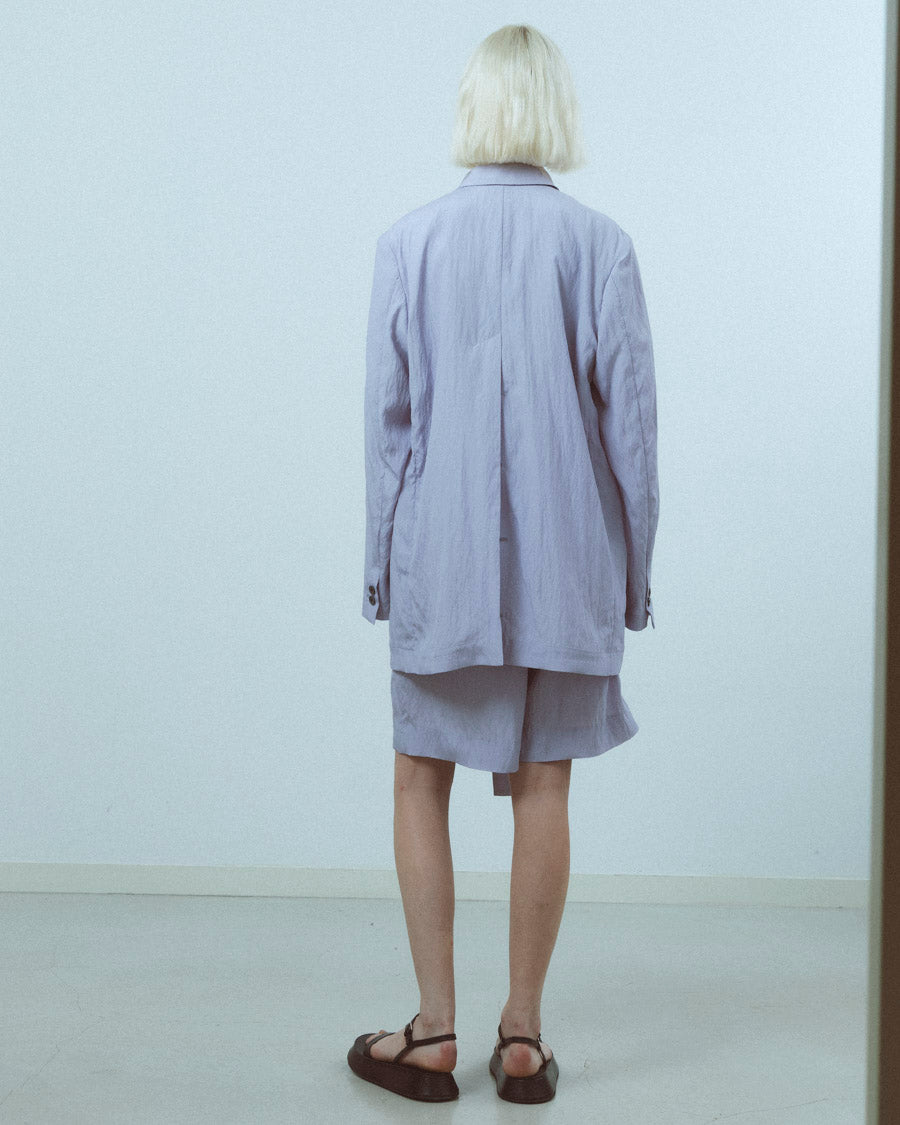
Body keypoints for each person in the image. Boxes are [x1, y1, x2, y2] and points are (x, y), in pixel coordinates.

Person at [348, 23, 659, 1104]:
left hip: (441, 557)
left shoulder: (410, 242)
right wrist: (635, 574)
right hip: (569, 564)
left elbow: (390, 428)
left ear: (472, 109)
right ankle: (521, 1037)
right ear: (557, 111)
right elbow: (632, 433)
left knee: (417, 775)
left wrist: (381, 566)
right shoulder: (601, 246)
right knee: (546, 782)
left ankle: (432, 1032)